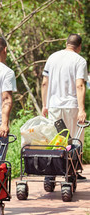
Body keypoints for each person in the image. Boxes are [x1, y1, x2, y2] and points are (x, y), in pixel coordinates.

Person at [41, 34, 88, 180]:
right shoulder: (80, 61)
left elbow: (44, 82)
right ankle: (72, 172)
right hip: (71, 106)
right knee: (73, 139)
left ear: (66, 43)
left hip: (54, 105)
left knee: (56, 139)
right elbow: (80, 85)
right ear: (79, 46)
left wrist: (45, 105)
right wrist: (82, 109)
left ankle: (51, 173)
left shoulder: (52, 57)